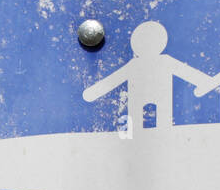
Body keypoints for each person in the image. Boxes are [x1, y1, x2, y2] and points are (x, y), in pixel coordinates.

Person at [83, 21, 211, 132]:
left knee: (162, 121)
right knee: (138, 122)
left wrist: (205, 82)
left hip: (160, 95)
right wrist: (94, 92)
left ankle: (158, 138)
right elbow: (114, 79)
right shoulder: (138, 64)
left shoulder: (163, 61)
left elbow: (185, 72)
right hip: (141, 96)